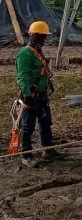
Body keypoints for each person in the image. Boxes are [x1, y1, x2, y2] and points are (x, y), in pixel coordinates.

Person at [16, 21, 63, 168]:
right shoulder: (25, 53)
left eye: (44, 37)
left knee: (46, 123)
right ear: (32, 35)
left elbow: (43, 73)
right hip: (32, 96)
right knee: (27, 126)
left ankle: (48, 149)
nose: (43, 39)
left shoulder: (38, 51)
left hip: (42, 95)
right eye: (41, 36)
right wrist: (27, 94)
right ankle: (26, 154)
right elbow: (23, 76)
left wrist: (48, 85)